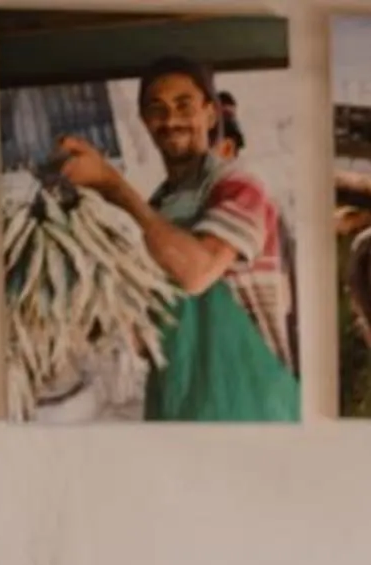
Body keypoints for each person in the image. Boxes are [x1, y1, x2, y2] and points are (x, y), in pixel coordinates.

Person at [54, 56, 295, 422]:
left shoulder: (239, 186)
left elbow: (197, 272)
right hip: (176, 406)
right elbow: (146, 332)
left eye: (184, 105)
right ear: (146, 123)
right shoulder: (157, 208)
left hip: (252, 406)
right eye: (157, 109)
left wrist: (113, 186)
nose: (170, 120)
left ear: (210, 114)